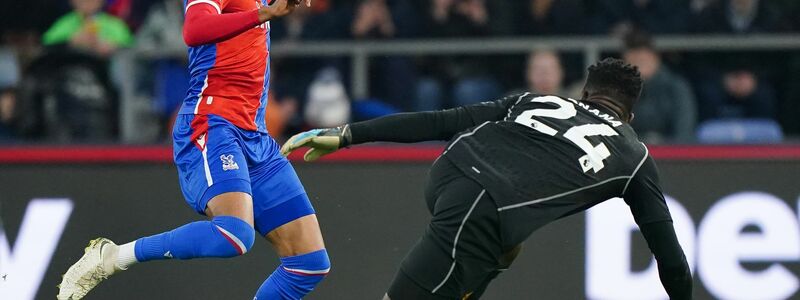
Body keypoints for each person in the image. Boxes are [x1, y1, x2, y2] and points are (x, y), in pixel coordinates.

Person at [282, 58, 692, 299]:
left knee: (508, 247)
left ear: (583, 95)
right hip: (480, 211)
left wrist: (351, 134)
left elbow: (445, 120)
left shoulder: (537, 100)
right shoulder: (633, 155)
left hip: (449, 170)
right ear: (631, 115)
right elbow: (670, 258)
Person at [57, 1, 332, 300]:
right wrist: (264, 13)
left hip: (255, 134)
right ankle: (113, 256)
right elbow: (195, 28)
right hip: (212, 125)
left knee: (309, 264)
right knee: (234, 235)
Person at [622, 31, 697, 143]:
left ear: (656, 59)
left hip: (672, 155)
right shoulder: (618, 92)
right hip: (631, 155)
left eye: (642, 62)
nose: (637, 68)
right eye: (632, 63)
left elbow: (684, 132)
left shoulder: (676, 87)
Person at [42, 0, 134, 56]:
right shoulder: (64, 23)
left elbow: (132, 52)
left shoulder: (115, 25)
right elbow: (45, 48)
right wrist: (70, 42)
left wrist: (113, 49)